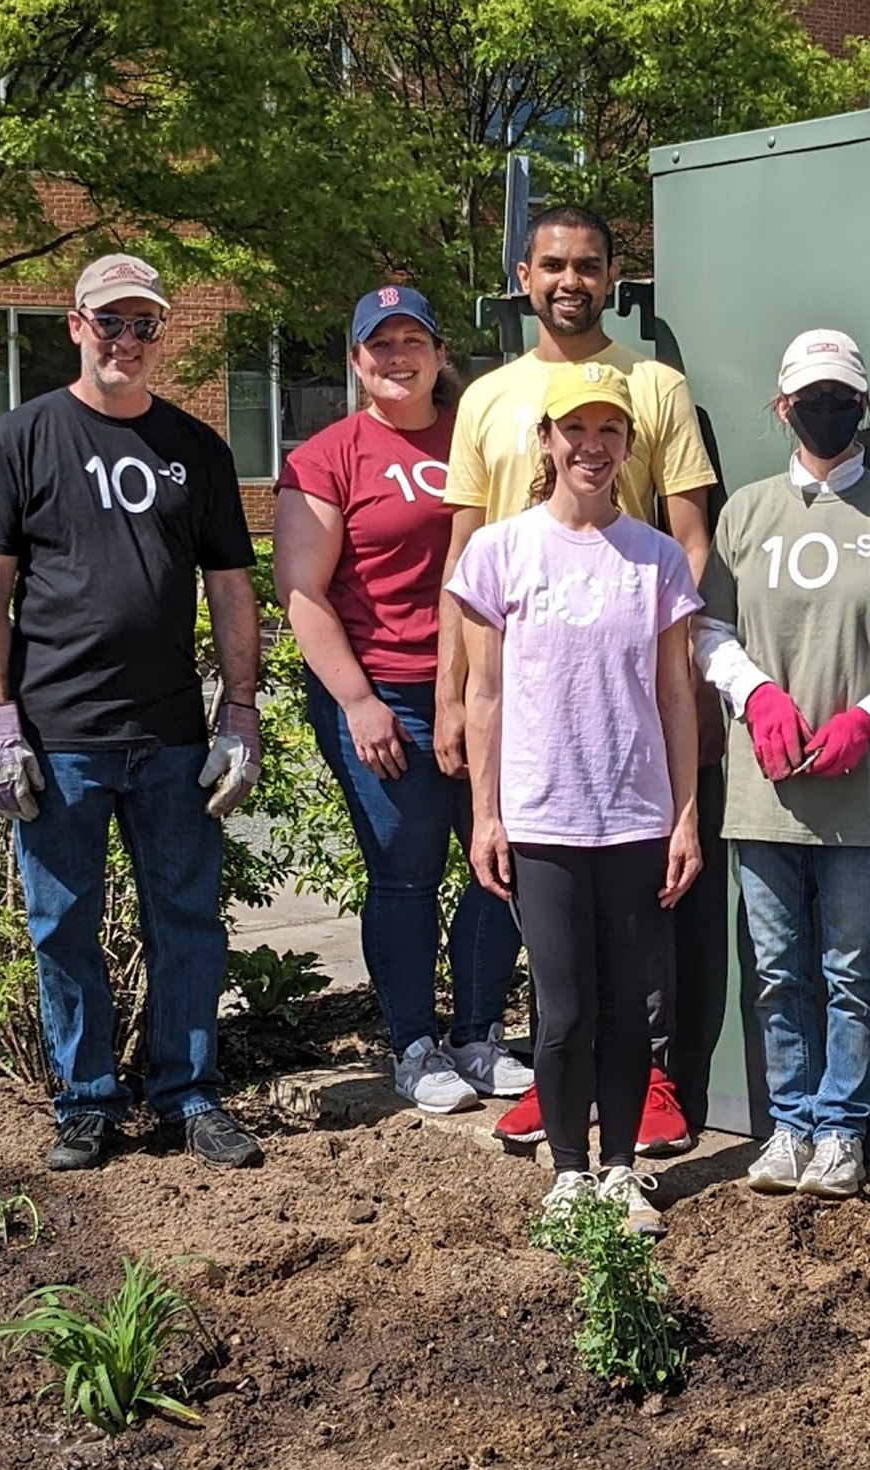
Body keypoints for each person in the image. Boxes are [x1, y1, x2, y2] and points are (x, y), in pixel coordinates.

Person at [0, 252, 264, 1172]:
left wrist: (240, 712)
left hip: (171, 737)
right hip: (58, 739)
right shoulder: (21, 438)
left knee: (188, 921)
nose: (128, 341)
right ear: (76, 327)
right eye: (112, 321)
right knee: (63, 925)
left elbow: (232, 589)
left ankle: (189, 1093)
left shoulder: (198, 450)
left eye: (145, 325)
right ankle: (85, 1100)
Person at [440, 203, 721, 1156]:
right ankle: (561, 1097)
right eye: (553, 264)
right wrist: (450, 690)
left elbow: (691, 533)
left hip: (633, 690)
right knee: (549, 932)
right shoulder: (488, 398)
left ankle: (642, 1094)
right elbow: (464, 549)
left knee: (635, 937)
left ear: (613, 277)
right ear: (524, 275)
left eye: (589, 265)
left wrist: (692, 662)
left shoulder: (659, 387)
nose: (571, 280)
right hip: (536, 702)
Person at [694, 330, 870, 1198]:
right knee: (777, 967)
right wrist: (755, 696)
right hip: (766, 786)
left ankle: (841, 1129)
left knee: (851, 965)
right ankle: (789, 1124)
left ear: (865, 407)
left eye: (842, 396)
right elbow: (710, 631)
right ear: (782, 408)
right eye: (811, 396)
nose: (827, 409)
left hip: (862, 782)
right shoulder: (746, 513)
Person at [273, 286, 533, 1115]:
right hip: (387, 692)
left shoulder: (479, 435)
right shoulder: (330, 455)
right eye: (377, 346)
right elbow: (303, 591)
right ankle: (414, 1045)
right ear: (356, 361)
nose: (396, 358)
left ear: (437, 351)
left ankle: (480, 1033)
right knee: (407, 876)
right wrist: (357, 701)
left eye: (410, 341)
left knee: (507, 863)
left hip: (488, 688)